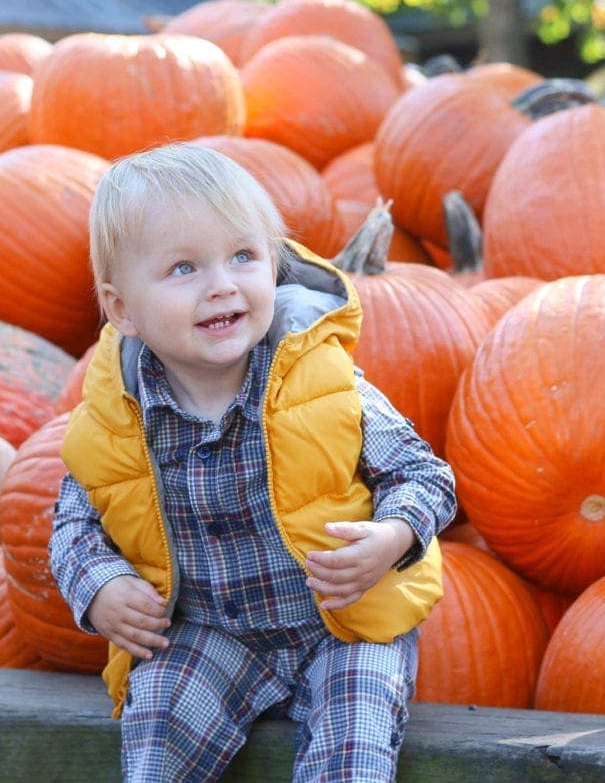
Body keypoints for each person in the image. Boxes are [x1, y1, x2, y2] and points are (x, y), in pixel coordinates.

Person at [49, 142, 457, 781]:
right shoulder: (115, 420)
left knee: (353, 748)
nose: (222, 285)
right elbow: (74, 524)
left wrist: (393, 537)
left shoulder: (319, 380)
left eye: (244, 256)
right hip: (207, 632)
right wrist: (98, 587)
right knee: (157, 728)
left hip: (339, 624)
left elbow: (422, 474)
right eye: (184, 268)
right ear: (122, 309)